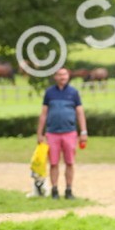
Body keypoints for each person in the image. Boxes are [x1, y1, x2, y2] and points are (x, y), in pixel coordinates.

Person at [36, 67, 87, 199]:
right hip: (52, 133)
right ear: (55, 77)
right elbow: (43, 114)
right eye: (59, 75)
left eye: (64, 74)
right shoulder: (49, 93)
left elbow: (80, 113)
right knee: (53, 163)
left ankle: (69, 190)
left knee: (69, 162)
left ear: (68, 76)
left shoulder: (73, 93)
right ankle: (54, 190)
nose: (62, 77)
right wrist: (39, 133)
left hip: (69, 132)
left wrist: (83, 131)